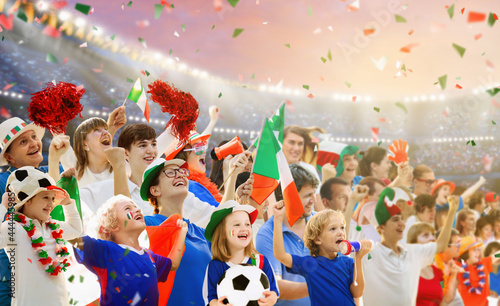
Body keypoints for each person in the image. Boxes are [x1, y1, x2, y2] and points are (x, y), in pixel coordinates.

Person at [74, 194, 186, 305]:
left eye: (136, 206)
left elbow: (173, 264)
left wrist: (182, 233)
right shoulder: (105, 251)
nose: (137, 209)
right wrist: (68, 201)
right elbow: (74, 235)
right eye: (127, 208)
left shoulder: (149, 256)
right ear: (113, 226)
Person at [141, 158, 224, 305]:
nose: (180, 175)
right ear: (155, 190)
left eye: (181, 172)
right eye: (171, 173)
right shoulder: (147, 224)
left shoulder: (201, 233)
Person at [0, 117, 65, 306]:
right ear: (9, 157)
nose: (34, 143)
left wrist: (54, 159)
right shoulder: (3, 182)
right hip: (10, 281)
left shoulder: (54, 169)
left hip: (52, 277)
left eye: (34, 137)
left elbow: (57, 210)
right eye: (23, 141)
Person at [362, 188, 459, 306]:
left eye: (402, 219)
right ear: (381, 228)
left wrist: (452, 210)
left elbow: (441, 245)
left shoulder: (414, 252)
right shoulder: (369, 254)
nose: (402, 223)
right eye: (395, 220)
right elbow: (341, 248)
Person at [0, 167, 83, 305]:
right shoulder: (14, 228)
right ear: (27, 200)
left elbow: (75, 229)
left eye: (53, 198)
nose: (51, 204)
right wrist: (3, 206)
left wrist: (68, 204)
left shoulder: (53, 227)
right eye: (45, 197)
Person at [273, 203, 371, 306]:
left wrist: (358, 259)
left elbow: (357, 293)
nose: (340, 232)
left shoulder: (348, 263)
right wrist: (278, 219)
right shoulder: (310, 264)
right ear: (317, 239)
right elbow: (281, 255)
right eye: (333, 229)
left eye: (342, 227)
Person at [255, 164, 319, 305]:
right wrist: (321, 284)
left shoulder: (321, 223)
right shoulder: (266, 235)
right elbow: (275, 287)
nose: (314, 200)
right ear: (289, 198)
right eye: (308, 195)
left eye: (314, 193)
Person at [203, 201, 279, 306]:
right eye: (237, 224)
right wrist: (217, 304)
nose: (244, 228)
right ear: (223, 233)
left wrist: (272, 298)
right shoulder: (215, 266)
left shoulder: (260, 261)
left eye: (247, 224)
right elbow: (210, 298)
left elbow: (274, 292)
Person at [406, 222, 459, 305]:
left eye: (433, 235)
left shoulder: (438, 273)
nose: (432, 238)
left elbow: (446, 299)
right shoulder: (405, 269)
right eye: (426, 235)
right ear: (413, 243)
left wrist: (453, 275)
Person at [282, 125, 325, 210]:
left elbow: (319, 209)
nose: (296, 148)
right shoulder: (273, 171)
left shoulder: (310, 169)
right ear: (281, 143)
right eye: (291, 142)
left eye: (300, 144)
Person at [456, 236, 500, 306]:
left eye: (478, 249)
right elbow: (442, 279)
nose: (478, 252)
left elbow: (497, 255)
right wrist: (442, 288)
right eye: (474, 250)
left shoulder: (483, 263)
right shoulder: (457, 267)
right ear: (465, 252)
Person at [434, 228, 464, 306]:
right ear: (445, 246)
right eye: (457, 244)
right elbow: (446, 299)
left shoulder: (451, 262)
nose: (460, 246)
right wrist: (453, 275)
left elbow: (494, 257)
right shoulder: (434, 267)